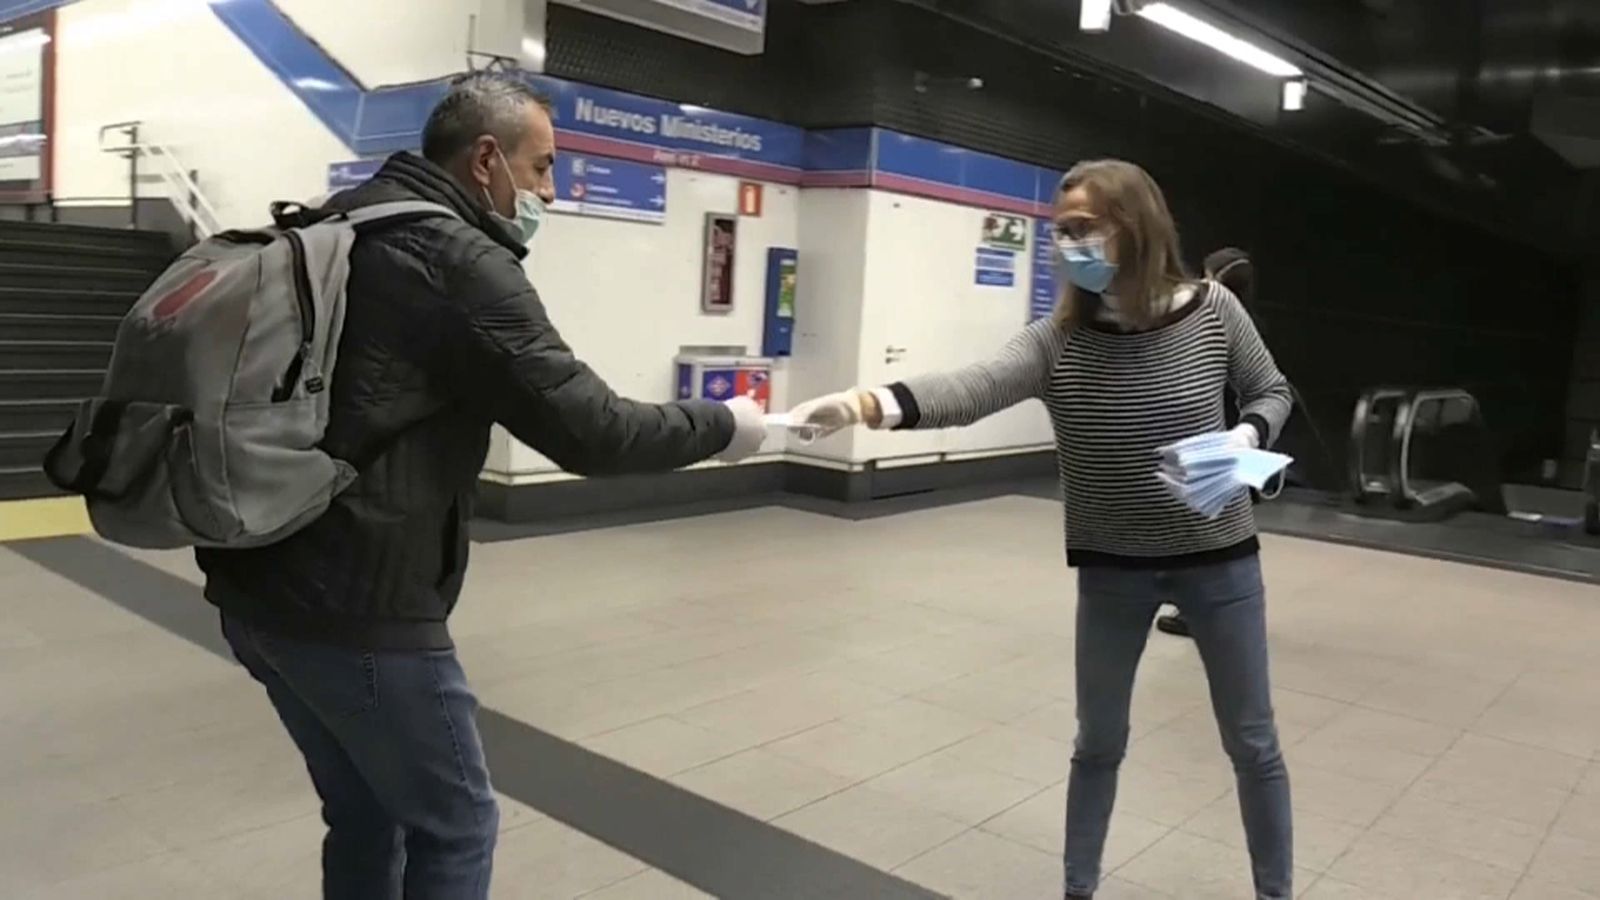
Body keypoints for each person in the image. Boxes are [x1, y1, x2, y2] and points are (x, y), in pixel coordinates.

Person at [198, 73, 766, 899]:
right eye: (542, 167)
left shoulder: (340, 222)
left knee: (365, 813)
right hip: (358, 604)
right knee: (456, 825)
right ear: (487, 159)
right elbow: (592, 429)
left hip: (253, 581)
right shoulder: (456, 258)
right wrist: (724, 426)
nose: (549, 192)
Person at [791, 160, 1295, 900]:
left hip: (1218, 560)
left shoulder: (1213, 310)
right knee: (1097, 743)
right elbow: (974, 387)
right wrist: (865, 404)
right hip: (1112, 568)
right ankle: (1077, 889)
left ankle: (1275, 893)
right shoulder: (1059, 340)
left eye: (1082, 228)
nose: (1067, 245)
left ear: (1135, 225)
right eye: (1059, 232)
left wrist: (1247, 435)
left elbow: (1271, 389)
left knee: (1252, 742)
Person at [1156, 246, 1256, 640]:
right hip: (1239, 438)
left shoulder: (1210, 323)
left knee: (1199, 526)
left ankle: (1195, 609)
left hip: (1210, 439)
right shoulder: (1250, 322)